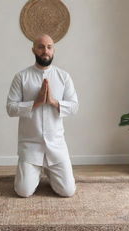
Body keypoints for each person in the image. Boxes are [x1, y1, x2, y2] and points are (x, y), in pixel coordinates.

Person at [6, 34, 79, 198]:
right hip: (31, 146)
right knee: (23, 192)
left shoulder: (64, 77)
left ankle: (50, 171)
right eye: (40, 47)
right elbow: (10, 108)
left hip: (56, 145)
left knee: (68, 191)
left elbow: (74, 107)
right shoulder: (21, 77)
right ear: (33, 50)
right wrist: (35, 103)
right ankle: (35, 171)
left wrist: (53, 102)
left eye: (49, 47)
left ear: (53, 50)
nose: (45, 50)